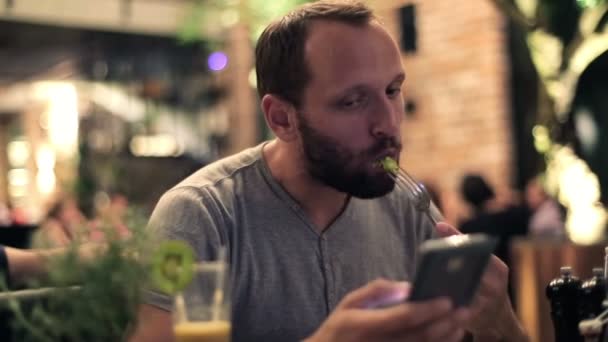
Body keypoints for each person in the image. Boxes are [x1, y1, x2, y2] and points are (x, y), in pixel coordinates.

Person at [130, 1, 528, 341]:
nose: (387, 123)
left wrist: (498, 322)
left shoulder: (407, 209)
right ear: (282, 118)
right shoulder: (200, 215)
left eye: (392, 91)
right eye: (353, 101)